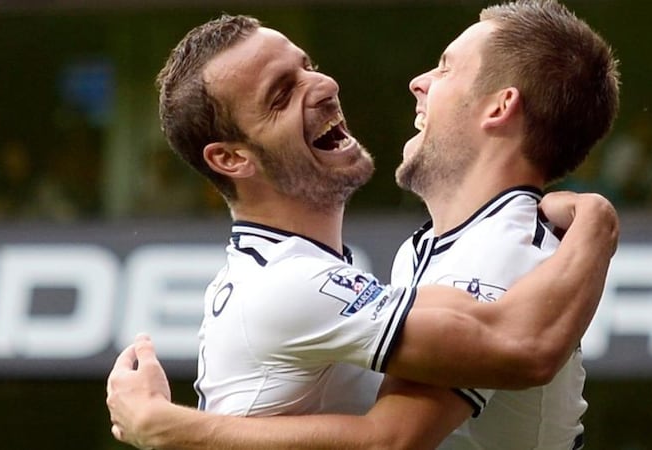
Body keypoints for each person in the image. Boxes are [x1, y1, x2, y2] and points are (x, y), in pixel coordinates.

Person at [106, 2, 619, 448]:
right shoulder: (296, 282)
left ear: (501, 107)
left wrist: (169, 428)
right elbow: (509, 355)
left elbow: (396, 434)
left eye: (308, 67)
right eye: (281, 93)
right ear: (231, 159)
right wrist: (596, 222)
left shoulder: (492, 249)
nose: (325, 84)